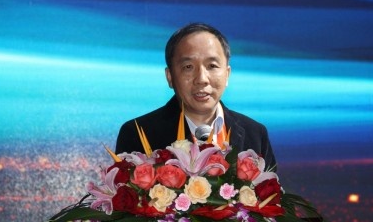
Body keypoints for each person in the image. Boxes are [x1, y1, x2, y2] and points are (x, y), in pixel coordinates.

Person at [115, 22, 277, 170]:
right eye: (188, 67)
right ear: (170, 77)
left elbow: (270, 192)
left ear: (227, 74)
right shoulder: (137, 133)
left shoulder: (255, 134)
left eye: (212, 66)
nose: (201, 79)